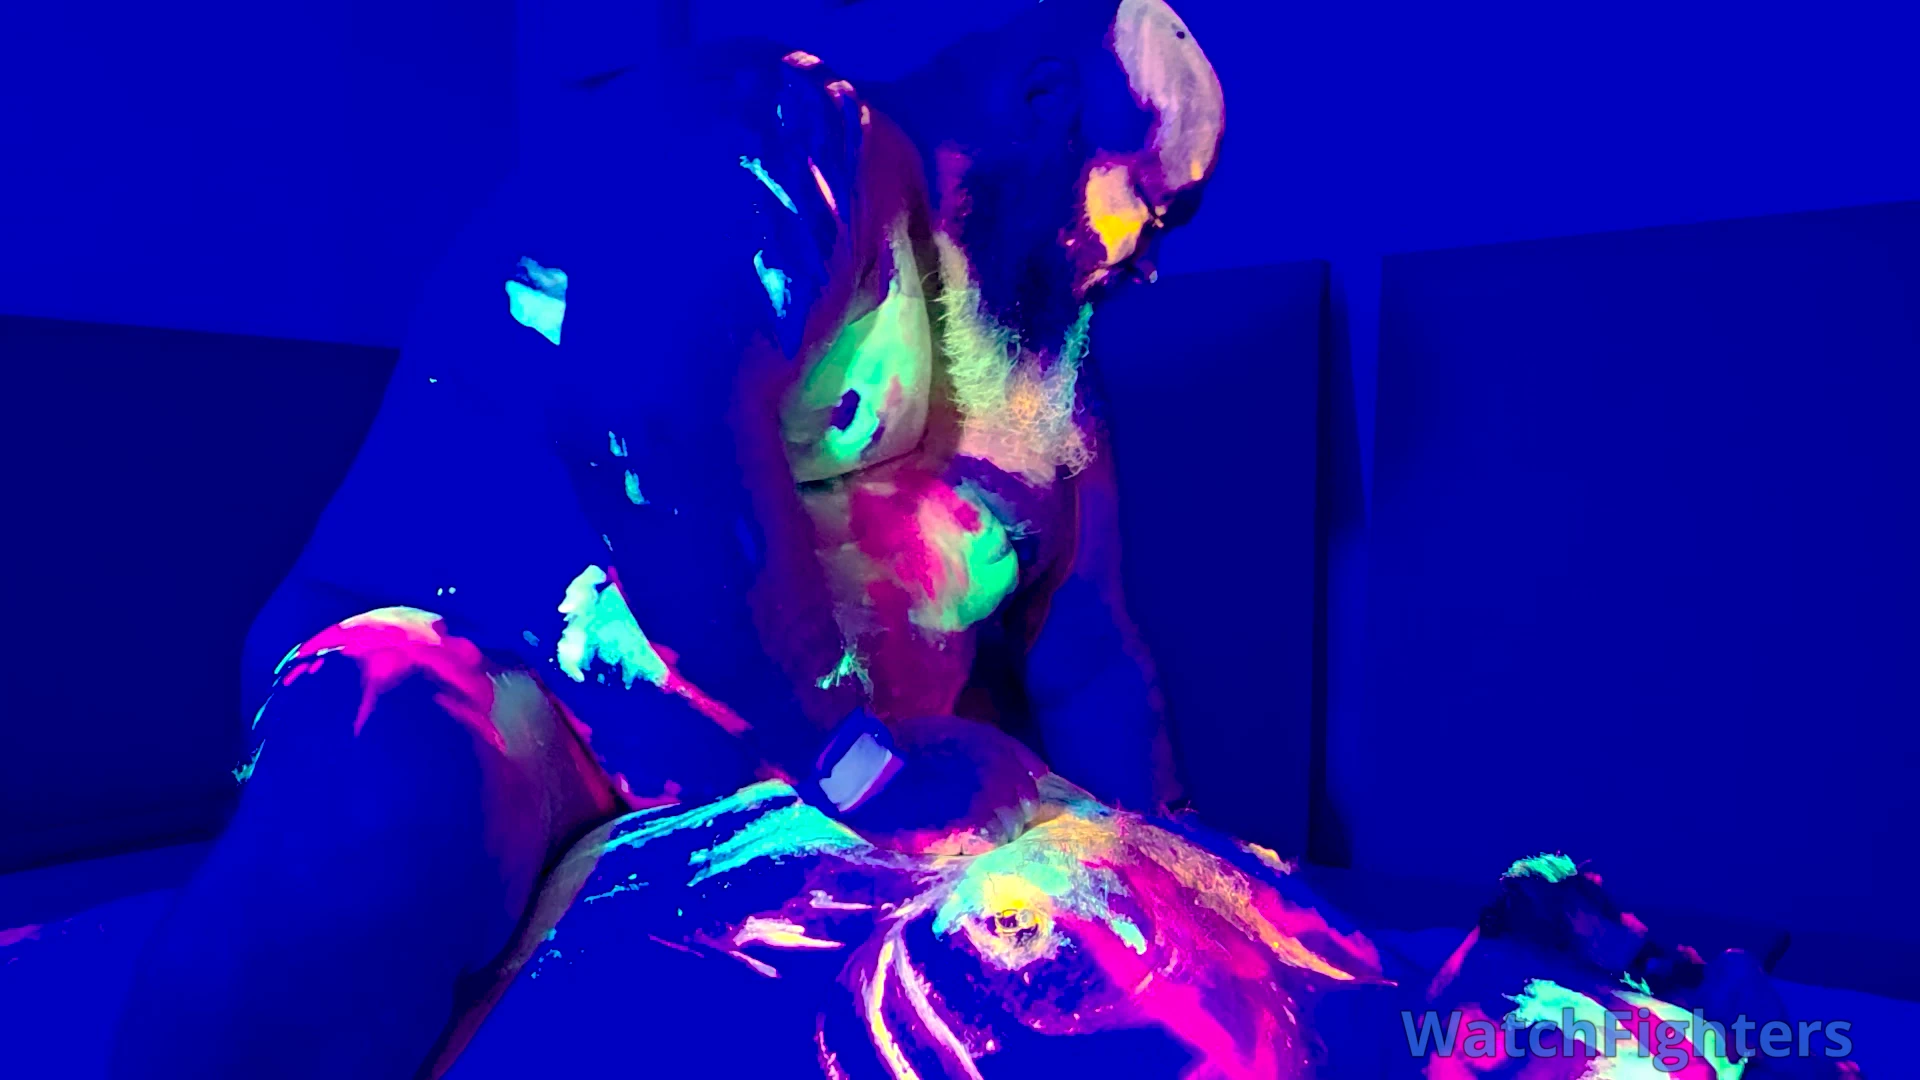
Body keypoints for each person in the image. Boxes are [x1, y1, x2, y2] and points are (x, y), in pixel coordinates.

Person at [108, 1, 1226, 1076]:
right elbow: (664, 434)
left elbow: (1090, 659)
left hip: (810, 804)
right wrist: (859, 765)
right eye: (1153, 205)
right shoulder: (775, 134)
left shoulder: (1047, 377)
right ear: (1045, 102)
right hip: (507, 693)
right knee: (384, 796)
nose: (1149, 262)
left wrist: (1181, 866)